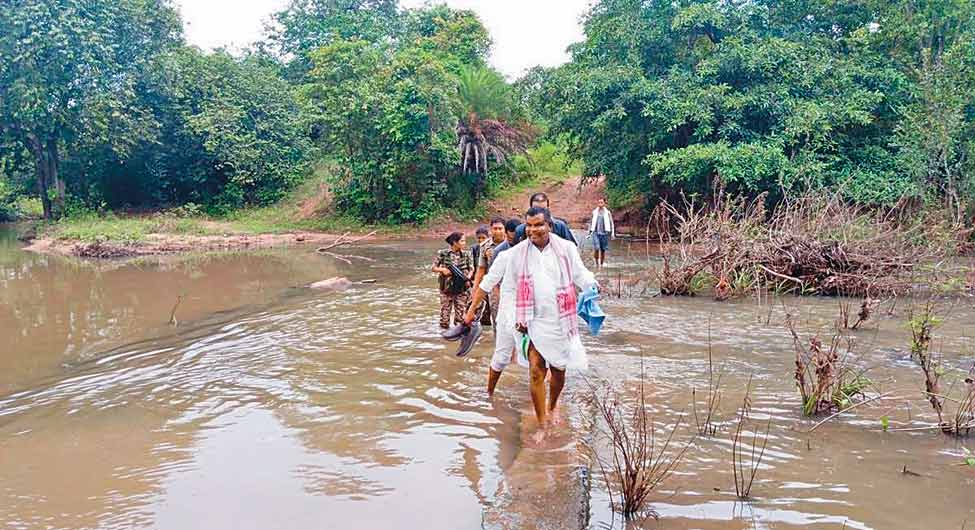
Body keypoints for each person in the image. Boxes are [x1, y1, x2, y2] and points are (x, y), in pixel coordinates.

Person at [465, 207, 597, 440]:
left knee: (558, 371)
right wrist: (517, 316)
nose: (533, 230)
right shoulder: (516, 254)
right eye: (529, 225)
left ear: (550, 226)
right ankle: (542, 422)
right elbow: (511, 286)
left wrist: (591, 286)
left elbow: (580, 274)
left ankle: (553, 405)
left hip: (559, 319)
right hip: (531, 320)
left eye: (538, 225)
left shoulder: (566, 249)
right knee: (536, 370)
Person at [432, 232, 473, 329]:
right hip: (446, 288)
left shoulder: (467, 254)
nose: (464, 243)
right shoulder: (443, 254)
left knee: (460, 318)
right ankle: (444, 338)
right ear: (455, 242)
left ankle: (457, 338)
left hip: (461, 288)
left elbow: (472, 269)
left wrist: (466, 278)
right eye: (462, 241)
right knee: (444, 318)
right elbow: (433, 268)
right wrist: (443, 270)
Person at [470, 217, 506, 325]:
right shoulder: (485, 246)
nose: (498, 231)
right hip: (494, 286)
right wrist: (475, 288)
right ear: (491, 230)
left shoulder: (512, 243)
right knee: (496, 317)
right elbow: (481, 269)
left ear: (505, 229)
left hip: (510, 284)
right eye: (495, 228)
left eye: (500, 228)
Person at [588, 198, 615, 269]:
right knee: (597, 248)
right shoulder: (594, 212)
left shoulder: (608, 212)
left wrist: (612, 233)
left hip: (605, 233)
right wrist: (589, 232)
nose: (600, 204)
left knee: (603, 250)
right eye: (599, 202)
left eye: (601, 202)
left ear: (604, 204)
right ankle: (596, 264)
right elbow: (591, 222)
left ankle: (602, 264)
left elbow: (611, 223)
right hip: (595, 232)